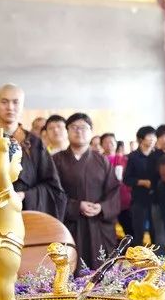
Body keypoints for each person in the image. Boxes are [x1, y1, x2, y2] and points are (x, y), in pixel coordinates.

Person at [0, 84, 66, 247]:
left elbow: (52, 188)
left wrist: (25, 197)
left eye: (15, 102)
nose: (10, 107)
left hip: (28, 219)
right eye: (4, 102)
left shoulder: (35, 143)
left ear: (22, 105)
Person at [52, 113, 121, 270]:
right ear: (67, 131)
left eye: (83, 127)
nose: (79, 131)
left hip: (98, 225)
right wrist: (76, 206)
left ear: (91, 132)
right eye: (74, 128)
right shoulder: (56, 160)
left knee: (101, 271)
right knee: (69, 270)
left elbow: (114, 191)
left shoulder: (102, 160)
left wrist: (102, 207)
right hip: (69, 224)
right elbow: (52, 194)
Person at [122, 125, 158, 247]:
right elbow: (127, 179)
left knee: (156, 232)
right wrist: (142, 182)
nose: (152, 139)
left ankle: (156, 261)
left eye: (154, 136)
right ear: (141, 139)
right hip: (139, 199)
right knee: (138, 232)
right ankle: (137, 262)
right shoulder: (133, 157)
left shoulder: (157, 156)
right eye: (149, 137)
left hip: (155, 199)